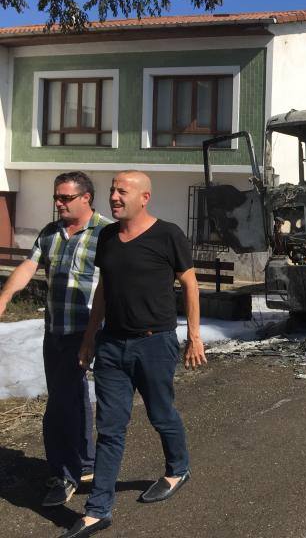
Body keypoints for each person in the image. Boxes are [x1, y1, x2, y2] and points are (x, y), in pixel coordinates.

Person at [61, 171, 206, 538]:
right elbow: (104, 291)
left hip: (155, 343)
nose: (114, 196)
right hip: (112, 345)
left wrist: (194, 336)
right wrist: (90, 337)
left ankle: (178, 469)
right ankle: (98, 510)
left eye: (122, 191)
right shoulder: (107, 236)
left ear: (144, 197)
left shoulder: (168, 234)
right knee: (109, 428)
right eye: (112, 190)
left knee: (161, 414)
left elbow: (190, 284)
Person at [0, 172, 109, 507]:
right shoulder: (50, 234)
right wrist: (4, 297)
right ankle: (84, 463)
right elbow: (28, 267)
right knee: (71, 397)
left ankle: (65, 474)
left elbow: (114, 282)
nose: (58, 203)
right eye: (56, 198)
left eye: (65, 198)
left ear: (86, 197)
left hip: (89, 330)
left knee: (63, 403)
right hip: (55, 332)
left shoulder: (106, 234)